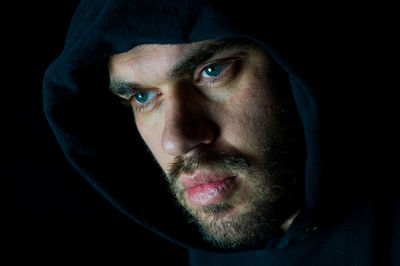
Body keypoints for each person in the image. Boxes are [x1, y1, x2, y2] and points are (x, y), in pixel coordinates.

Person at [43, 0, 399, 265]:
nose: (176, 139)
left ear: (291, 65)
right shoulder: (209, 251)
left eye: (212, 71)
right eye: (142, 96)